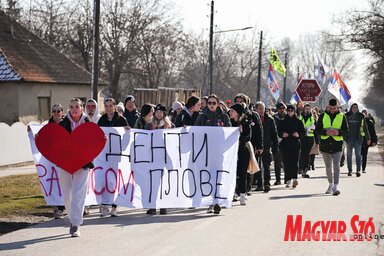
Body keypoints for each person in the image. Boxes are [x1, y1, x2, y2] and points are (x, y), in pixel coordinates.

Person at [58, 98, 99, 237]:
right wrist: (39, 136)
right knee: (67, 195)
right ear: (69, 109)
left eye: (77, 106)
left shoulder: (89, 124)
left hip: (83, 164)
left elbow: (95, 140)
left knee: (78, 194)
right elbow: (53, 139)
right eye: (71, 106)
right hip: (65, 163)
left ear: (82, 108)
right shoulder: (63, 124)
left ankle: (75, 224)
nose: (74, 109)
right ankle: (72, 218)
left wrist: (101, 139)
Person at [195, 94, 231, 214]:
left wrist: (236, 131)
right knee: (208, 177)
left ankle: (216, 202)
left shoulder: (224, 116)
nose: (211, 105)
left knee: (218, 176)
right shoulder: (202, 115)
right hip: (206, 152)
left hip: (219, 151)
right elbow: (196, 130)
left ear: (218, 104)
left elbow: (229, 130)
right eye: (209, 103)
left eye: (213, 103)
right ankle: (210, 202)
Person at [98, 98, 129, 217]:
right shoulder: (102, 120)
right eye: (106, 106)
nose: (108, 108)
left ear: (114, 107)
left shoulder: (121, 119)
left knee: (115, 181)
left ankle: (114, 207)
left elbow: (126, 138)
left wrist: (127, 131)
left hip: (116, 156)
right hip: (104, 156)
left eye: (111, 105)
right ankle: (105, 205)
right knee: (105, 180)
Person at [315, 99, 349, 196]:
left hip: (337, 144)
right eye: (331, 108)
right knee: (328, 166)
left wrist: (338, 132)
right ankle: (330, 184)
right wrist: (325, 132)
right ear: (328, 107)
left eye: (334, 108)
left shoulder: (342, 116)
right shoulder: (322, 116)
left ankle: (335, 186)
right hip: (325, 145)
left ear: (337, 107)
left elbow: (346, 131)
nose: (333, 110)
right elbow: (317, 130)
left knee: (336, 166)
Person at [145, 104, 174, 215]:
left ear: (164, 114)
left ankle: (163, 206)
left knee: (164, 183)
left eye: (161, 112)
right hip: (153, 157)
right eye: (157, 112)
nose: (158, 114)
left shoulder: (169, 125)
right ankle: (152, 206)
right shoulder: (149, 125)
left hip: (165, 158)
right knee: (153, 183)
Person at [233, 93, 263, 193]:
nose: (239, 103)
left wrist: (260, 146)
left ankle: (247, 187)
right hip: (236, 145)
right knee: (239, 169)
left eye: (241, 102)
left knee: (248, 168)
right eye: (237, 102)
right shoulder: (232, 115)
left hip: (250, 144)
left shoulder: (253, 115)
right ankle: (239, 189)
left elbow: (259, 131)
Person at [278, 104, 305, 189]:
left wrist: (298, 135)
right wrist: (282, 134)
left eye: (291, 110)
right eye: (288, 110)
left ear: (294, 111)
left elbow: (303, 132)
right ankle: (288, 179)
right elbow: (278, 131)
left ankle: (294, 178)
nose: (290, 112)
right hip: (285, 144)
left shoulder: (298, 121)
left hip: (295, 144)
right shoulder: (282, 121)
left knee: (295, 162)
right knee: (286, 163)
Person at [229, 103, 251, 205]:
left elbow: (248, 137)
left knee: (242, 174)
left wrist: (240, 134)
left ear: (238, 113)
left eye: (232, 111)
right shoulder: (228, 123)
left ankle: (243, 194)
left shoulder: (246, 123)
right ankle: (233, 193)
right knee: (232, 173)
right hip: (231, 151)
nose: (230, 112)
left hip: (243, 151)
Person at [254, 101, 278, 193]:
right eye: (259, 108)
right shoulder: (254, 119)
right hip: (257, 146)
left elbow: (274, 134)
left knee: (266, 165)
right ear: (255, 109)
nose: (261, 110)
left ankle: (266, 183)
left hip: (267, 146)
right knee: (258, 166)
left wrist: (275, 146)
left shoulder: (270, 120)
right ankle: (260, 184)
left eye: (262, 108)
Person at [48, 104, 66, 219]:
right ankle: (60, 208)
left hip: (66, 157)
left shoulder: (67, 123)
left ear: (62, 112)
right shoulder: (49, 125)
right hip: (53, 159)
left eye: (58, 111)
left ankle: (77, 206)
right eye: (54, 111)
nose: (56, 113)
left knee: (67, 183)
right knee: (57, 183)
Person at [345, 103, 371, 177]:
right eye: (353, 107)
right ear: (351, 108)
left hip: (358, 139)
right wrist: (344, 137)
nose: (355, 109)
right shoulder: (347, 116)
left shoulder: (361, 116)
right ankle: (350, 170)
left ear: (357, 108)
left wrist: (368, 138)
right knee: (349, 155)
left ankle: (358, 170)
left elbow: (365, 128)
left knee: (358, 155)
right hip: (349, 139)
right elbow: (343, 127)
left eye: (356, 107)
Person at [298, 104, 318, 178]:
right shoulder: (300, 117)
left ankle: (305, 170)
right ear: (304, 109)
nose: (307, 110)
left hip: (310, 138)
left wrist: (317, 142)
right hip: (301, 138)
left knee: (306, 154)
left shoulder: (312, 118)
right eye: (306, 108)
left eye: (309, 109)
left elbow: (315, 131)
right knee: (301, 154)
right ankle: (300, 168)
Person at [273, 101, 286, 185]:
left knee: (286, 161)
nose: (282, 110)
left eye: (283, 108)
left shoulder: (287, 116)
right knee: (277, 161)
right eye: (280, 108)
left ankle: (286, 178)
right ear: (277, 109)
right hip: (277, 141)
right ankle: (278, 179)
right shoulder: (274, 118)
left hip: (286, 141)